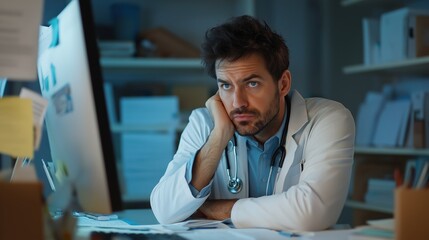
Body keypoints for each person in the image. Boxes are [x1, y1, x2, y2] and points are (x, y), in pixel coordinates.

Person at [150, 15, 355, 231]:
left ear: (283, 84)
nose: (238, 102)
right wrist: (219, 136)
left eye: (252, 83)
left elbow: (312, 214)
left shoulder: (328, 120)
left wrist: (219, 209)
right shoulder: (204, 124)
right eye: (226, 86)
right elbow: (164, 210)